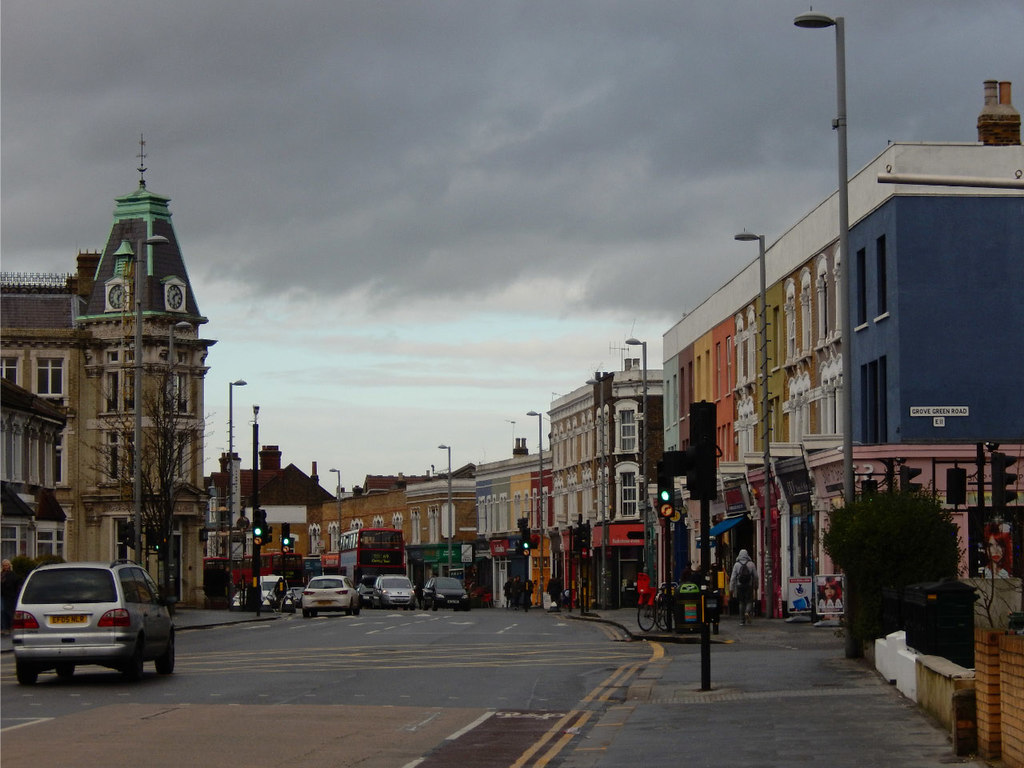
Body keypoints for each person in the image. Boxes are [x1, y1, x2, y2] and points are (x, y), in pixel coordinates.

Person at [729, 549, 758, 625]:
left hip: (740, 586)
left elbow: (733, 577)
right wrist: (756, 585)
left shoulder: (736, 564)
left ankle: (742, 621)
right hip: (749, 585)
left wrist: (731, 588)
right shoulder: (751, 564)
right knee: (749, 601)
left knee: (741, 602)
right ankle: (747, 612)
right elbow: (756, 576)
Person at [2, 559, 21, 635]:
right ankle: (4, 627)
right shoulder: (1, 574)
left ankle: (9, 627)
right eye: (3, 565)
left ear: (9, 566)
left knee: (9, 612)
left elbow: (17, 585)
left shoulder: (13, 575)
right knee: (3, 611)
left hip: (10, 596)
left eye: (6, 565)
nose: (5, 567)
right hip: (3, 596)